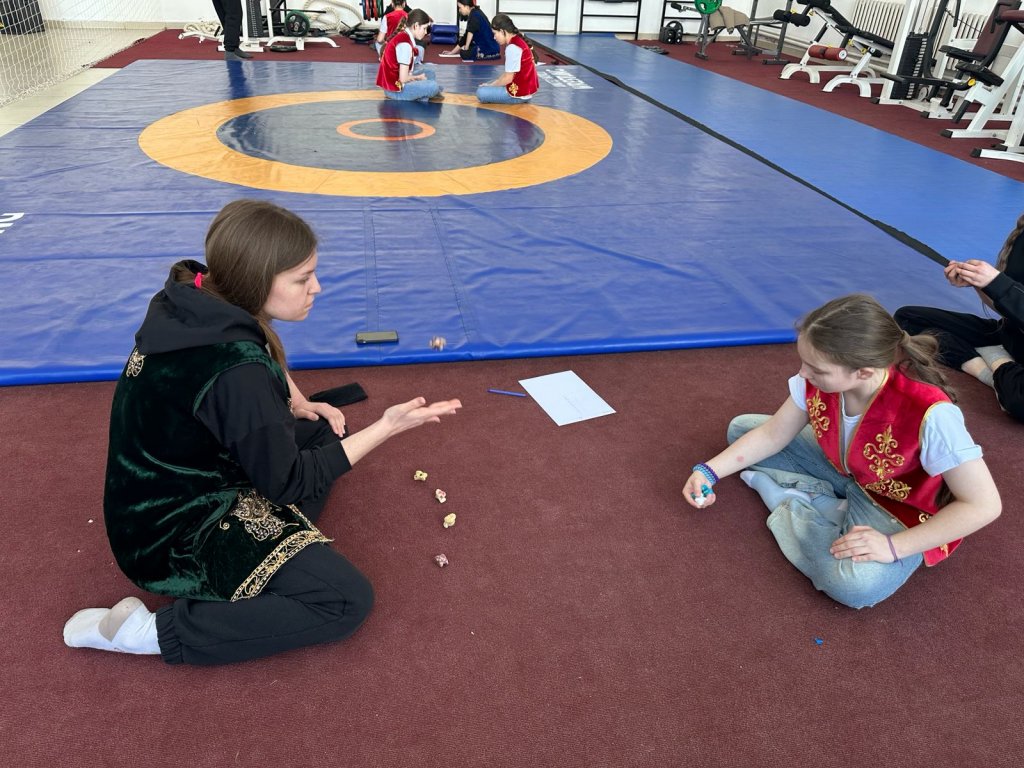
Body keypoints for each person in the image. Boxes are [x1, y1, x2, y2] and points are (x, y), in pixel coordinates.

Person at [63, 200, 462, 665]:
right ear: (255, 281)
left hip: (159, 490)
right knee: (344, 600)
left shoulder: (195, 291)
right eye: (302, 279)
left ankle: (261, 554)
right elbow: (286, 482)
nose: (317, 287)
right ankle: (147, 632)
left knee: (320, 431)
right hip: (168, 535)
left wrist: (298, 401)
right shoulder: (238, 373)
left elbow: (254, 344)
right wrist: (387, 427)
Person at [682, 294, 1000, 609]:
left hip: (899, 506)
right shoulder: (817, 380)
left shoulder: (932, 414)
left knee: (853, 586)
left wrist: (893, 546)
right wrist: (708, 472)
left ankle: (792, 503)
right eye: (804, 362)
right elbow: (772, 435)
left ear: (863, 372)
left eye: (816, 369)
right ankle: (829, 505)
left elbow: (983, 505)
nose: (803, 374)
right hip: (849, 472)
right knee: (740, 429)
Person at [894, 212, 1024, 423]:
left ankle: (997, 362)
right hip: (1009, 335)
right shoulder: (1021, 237)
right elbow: (1006, 308)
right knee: (908, 318)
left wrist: (997, 283)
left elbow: (1008, 292)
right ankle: (995, 366)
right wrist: (979, 284)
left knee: (1019, 400)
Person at [376, 9, 443, 102]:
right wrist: (418, 78)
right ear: (416, 26)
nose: (426, 32)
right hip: (396, 90)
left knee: (429, 73)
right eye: (424, 28)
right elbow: (403, 79)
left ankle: (422, 95)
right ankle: (424, 95)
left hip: (397, 82)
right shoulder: (405, 44)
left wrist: (417, 78)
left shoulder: (405, 36)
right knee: (433, 86)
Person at [476, 14, 538, 104]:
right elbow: (508, 74)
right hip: (525, 91)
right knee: (489, 83)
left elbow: (508, 78)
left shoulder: (512, 48)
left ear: (502, 31)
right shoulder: (517, 40)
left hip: (518, 94)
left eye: (495, 33)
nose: (494, 37)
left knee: (481, 92)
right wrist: (491, 84)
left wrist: (491, 86)